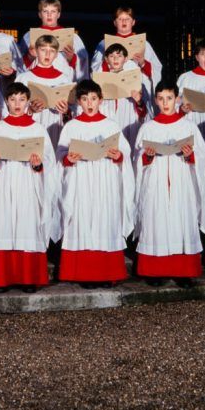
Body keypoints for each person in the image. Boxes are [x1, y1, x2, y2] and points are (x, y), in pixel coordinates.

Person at [56, 80, 135, 287]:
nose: (89, 103)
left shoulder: (111, 125)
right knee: (82, 221)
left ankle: (108, 273)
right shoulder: (72, 126)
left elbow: (125, 154)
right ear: (78, 102)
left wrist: (117, 155)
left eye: (93, 98)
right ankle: (84, 274)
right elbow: (60, 154)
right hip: (81, 181)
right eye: (84, 99)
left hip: (104, 181)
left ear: (100, 100)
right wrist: (68, 159)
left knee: (104, 221)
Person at [134, 81, 205, 286]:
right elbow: (136, 158)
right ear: (156, 100)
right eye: (160, 99)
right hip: (156, 183)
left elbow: (203, 156)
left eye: (169, 98)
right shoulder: (148, 127)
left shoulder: (188, 126)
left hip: (181, 181)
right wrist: (146, 157)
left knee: (181, 221)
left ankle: (183, 272)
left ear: (177, 99)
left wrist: (191, 155)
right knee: (156, 222)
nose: (165, 103)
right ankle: (155, 271)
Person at [0, 82, 57, 292]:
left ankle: (28, 279)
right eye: (13, 99)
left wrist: (38, 164)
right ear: (6, 102)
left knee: (27, 224)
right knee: (4, 223)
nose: (17, 104)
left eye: (22, 100)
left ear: (27, 102)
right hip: (4, 181)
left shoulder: (37, 129)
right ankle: (1, 279)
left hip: (28, 182)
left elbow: (50, 161)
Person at [14, 34, 74, 150]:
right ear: (36, 51)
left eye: (51, 51)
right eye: (43, 50)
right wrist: (30, 110)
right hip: (32, 124)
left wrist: (66, 111)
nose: (47, 54)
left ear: (56, 55)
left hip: (55, 123)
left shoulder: (65, 79)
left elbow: (73, 108)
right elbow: (13, 107)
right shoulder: (24, 78)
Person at [18, 0, 89, 81]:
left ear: (58, 14)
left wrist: (72, 58)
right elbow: (18, 62)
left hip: (63, 79)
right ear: (40, 14)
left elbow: (83, 62)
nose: (49, 15)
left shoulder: (73, 36)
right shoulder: (29, 36)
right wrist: (30, 56)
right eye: (45, 11)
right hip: (36, 79)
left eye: (53, 11)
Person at [91, 5, 162, 88]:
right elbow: (94, 69)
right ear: (114, 22)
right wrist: (107, 61)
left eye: (127, 19)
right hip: (113, 87)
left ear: (133, 22)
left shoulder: (144, 43)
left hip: (135, 90)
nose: (124, 21)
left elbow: (156, 69)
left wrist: (143, 63)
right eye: (120, 19)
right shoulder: (104, 43)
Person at [98, 41, 149, 150]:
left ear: (126, 59)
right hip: (108, 115)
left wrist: (138, 101)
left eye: (119, 56)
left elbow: (144, 110)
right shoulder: (100, 79)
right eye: (111, 56)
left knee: (128, 148)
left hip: (128, 116)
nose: (115, 59)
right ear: (106, 59)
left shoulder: (135, 78)